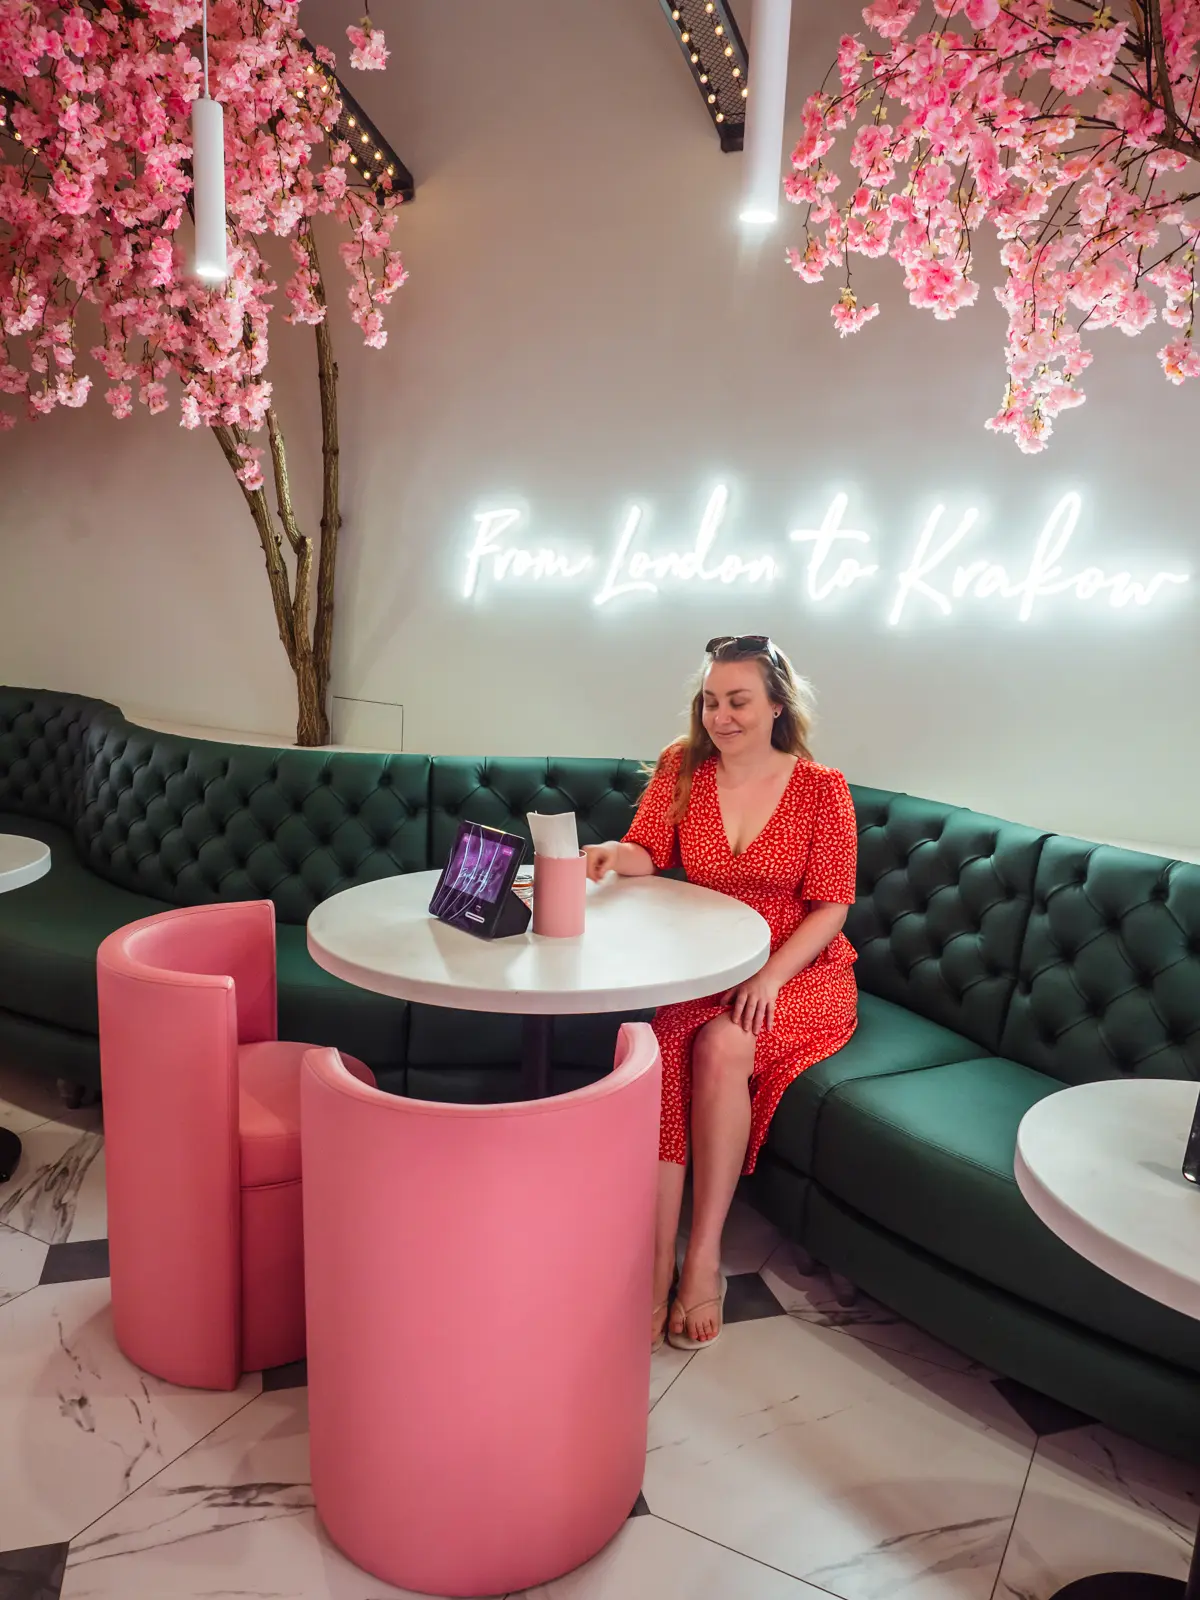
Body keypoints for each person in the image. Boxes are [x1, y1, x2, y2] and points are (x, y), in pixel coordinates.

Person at [584, 636, 858, 1353]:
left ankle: (702, 1257)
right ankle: (650, 1267)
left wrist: (770, 976)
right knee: (666, 1045)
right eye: (710, 701)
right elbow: (651, 848)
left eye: (737, 700)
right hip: (706, 968)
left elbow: (832, 904)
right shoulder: (682, 768)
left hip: (801, 971)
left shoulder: (821, 788)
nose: (720, 716)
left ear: (775, 705)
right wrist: (619, 855)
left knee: (724, 1041)